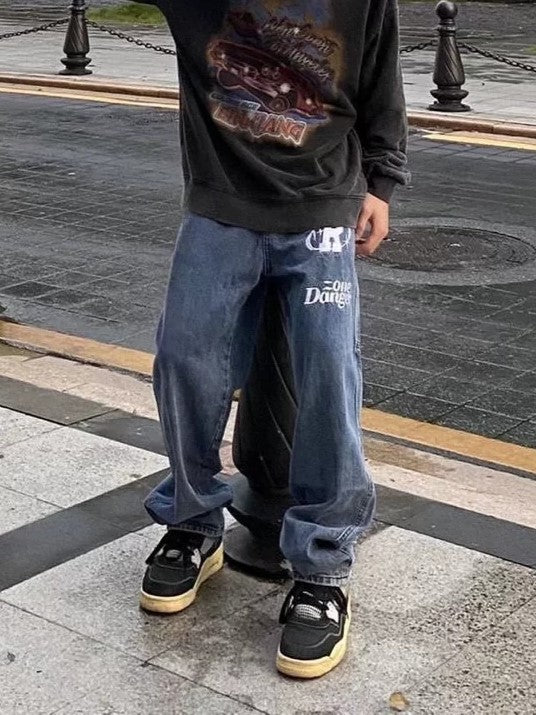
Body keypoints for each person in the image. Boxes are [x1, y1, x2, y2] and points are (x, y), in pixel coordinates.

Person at [138, 0, 409, 679]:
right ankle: (193, 521)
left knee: (327, 371)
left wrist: (381, 183)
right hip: (219, 207)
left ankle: (322, 563)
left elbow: (380, 78)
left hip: (322, 208)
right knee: (184, 357)